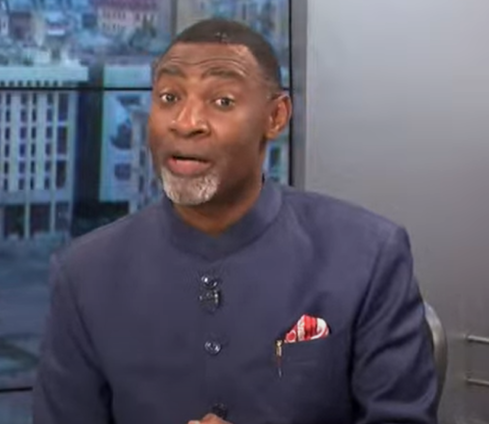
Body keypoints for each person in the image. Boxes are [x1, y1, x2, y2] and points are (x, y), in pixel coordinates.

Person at [33, 18, 438, 424]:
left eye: (222, 101)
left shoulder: (368, 257)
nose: (186, 123)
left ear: (275, 117)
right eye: (169, 97)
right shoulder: (84, 274)